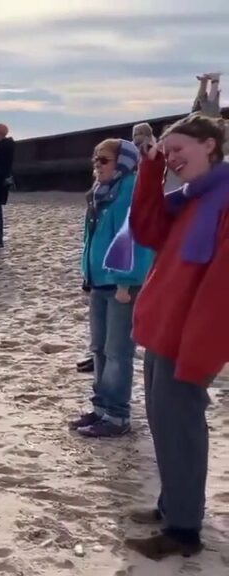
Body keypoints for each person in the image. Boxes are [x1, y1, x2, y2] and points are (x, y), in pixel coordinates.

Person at [120, 114, 229, 560]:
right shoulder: (190, 197)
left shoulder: (223, 198)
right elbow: (146, 229)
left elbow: (223, 288)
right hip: (163, 331)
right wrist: (150, 170)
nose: (174, 159)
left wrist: (198, 353)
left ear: (211, 145)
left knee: (181, 429)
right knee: (165, 426)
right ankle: (173, 506)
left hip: (187, 339)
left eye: (180, 149)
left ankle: (184, 531)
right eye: (169, 152)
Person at [67, 139, 153, 439]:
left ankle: (117, 415)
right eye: (95, 160)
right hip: (100, 280)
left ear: (123, 162)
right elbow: (92, 239)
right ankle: (101, 408)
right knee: (100, 349)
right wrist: (86, 275)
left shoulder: (130, 190)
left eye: (103, 160)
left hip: (121, 285)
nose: (97, 165)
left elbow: (135, 239)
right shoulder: (102, 192)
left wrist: (126, 282)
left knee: (118, 352)